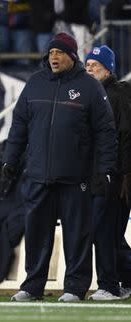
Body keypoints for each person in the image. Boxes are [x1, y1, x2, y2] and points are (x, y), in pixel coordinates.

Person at [3, 32, 117, 302]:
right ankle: (32, 286)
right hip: (38, 173)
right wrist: (10, 159)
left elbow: (105, 132)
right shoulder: (35, 83)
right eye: (51, 52)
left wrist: (106, 169)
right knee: (36, 234)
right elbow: (19, 126)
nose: (53, 57)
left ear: (72, 56)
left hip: (76, 175)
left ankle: (75, 288)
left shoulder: (89, 87)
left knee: (77, 235)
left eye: (59, 53)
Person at [85, 45, 131, 300]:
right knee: (107, 232)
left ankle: (110, 285)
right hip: (95, 173)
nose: (90, 68)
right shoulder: (90, 95)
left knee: (104, 230)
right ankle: (122, 280)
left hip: (114, 175)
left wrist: (126, 174)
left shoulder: (120, 94)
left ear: (108, 69)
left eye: (95, 65)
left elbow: (126, 135)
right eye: (88, 64)